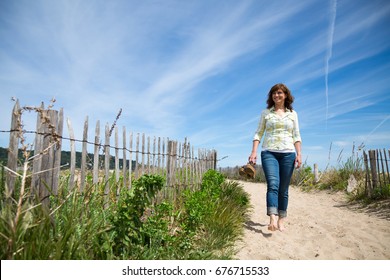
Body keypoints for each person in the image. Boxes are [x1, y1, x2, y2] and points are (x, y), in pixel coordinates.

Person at [248, 83, 302, 232]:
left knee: (283, 189)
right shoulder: (266, 113)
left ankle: (281, 219)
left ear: (285, 95)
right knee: (273, 184)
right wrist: (254, 152)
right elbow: (258, 133)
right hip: (269, 152)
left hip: (288, 153)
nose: (276, 95)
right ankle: (272, 216)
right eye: (274, 93)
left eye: (279, 93)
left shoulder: (293, 114)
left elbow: (296, 135)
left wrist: (299, 154)